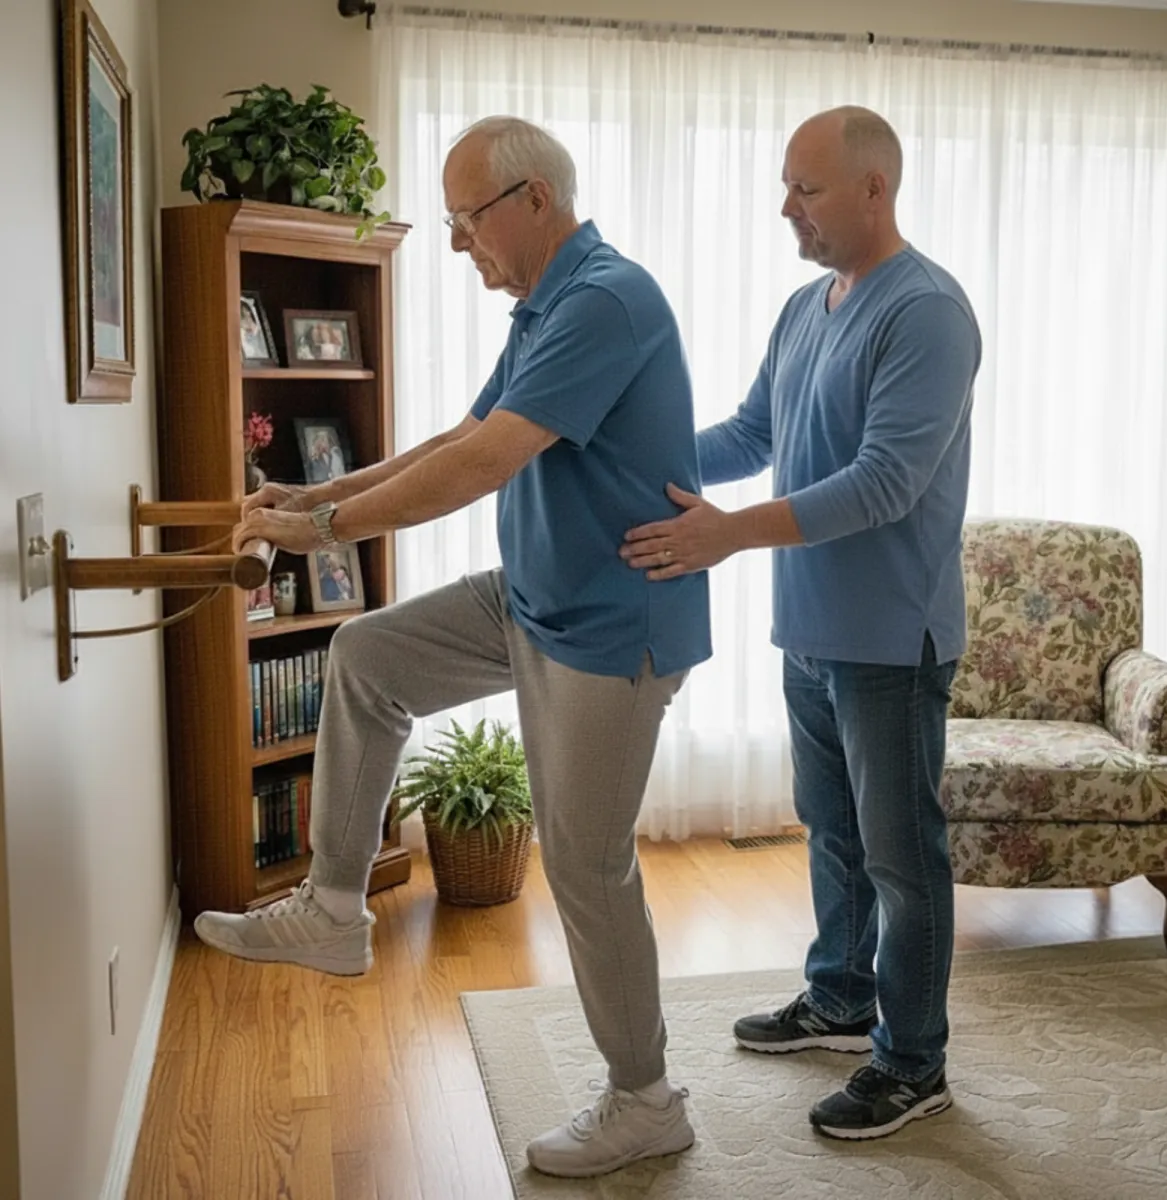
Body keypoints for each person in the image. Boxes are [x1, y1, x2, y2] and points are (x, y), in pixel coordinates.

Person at [194, 115, 711, 1178]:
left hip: (615, 626)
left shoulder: (606, 299)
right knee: (371, 654)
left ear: (533, 202)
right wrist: (315, 490)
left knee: (584, 861)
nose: (458, 242)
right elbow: (456, 438)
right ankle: (335, 909)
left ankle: (646, 1097)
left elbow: (486, 463)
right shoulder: (545, 304)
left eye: (466, 220)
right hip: (534, 598)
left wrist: (320, 532)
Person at [622, 106, 981, 1141]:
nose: (786, 207)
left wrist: (727, 536)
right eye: (786, 186)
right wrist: (626, 460)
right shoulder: (804, 307)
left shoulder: (928, 313)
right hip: (811, 629)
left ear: (876, 189)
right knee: (830, 834)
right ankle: (839, 999)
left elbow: (884, 483)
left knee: (903, 860)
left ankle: (914, 1065)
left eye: (806, 188)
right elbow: (751, 433)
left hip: (890, 641)